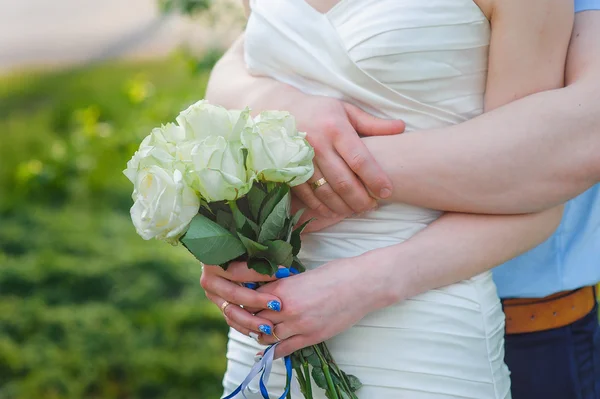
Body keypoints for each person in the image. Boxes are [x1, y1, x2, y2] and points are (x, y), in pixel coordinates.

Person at [199, 0, 599, 398]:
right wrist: (231, 240)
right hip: (271, 324)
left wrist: (332, 167)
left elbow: (549, 162)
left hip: (463, 321)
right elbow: (239, 68)